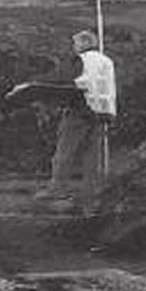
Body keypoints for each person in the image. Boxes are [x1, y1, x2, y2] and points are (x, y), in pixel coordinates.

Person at [43, 30, 117, 203]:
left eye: (75, 43)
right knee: (92, 155)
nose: (74, 47)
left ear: (84, 43)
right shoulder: (106, 61)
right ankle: (91, 191)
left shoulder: (80, 60)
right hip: (102, 112)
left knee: (64, 152)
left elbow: (67, 80)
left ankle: (57, 189)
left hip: (80, 109)